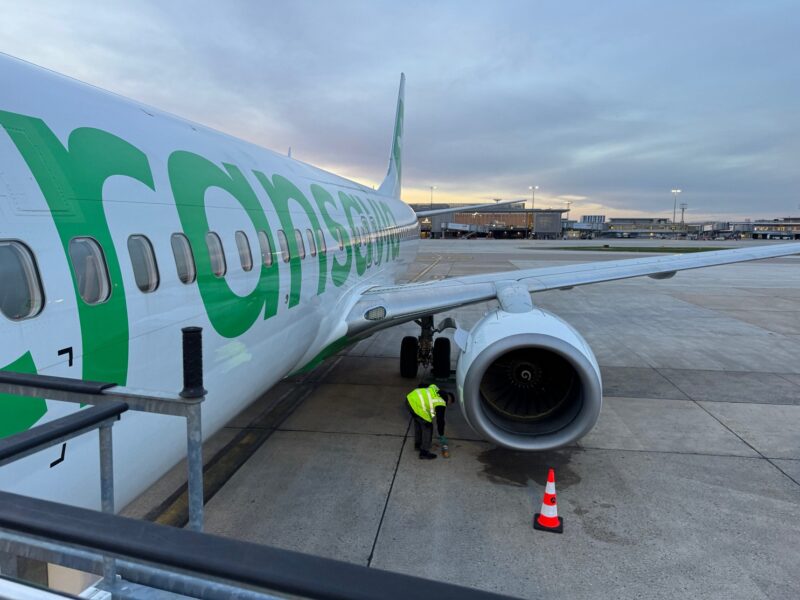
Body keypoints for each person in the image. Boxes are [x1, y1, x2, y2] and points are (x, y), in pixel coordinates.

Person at [406, 384, 455, 459]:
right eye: (449, 404)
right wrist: (441, 434)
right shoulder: (440, 402)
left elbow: (423, 385)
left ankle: (418, 445)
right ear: (449, 400)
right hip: (416, 405)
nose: (447, 405)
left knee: (418, 422)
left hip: (410, 399)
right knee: (428, 427)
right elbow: (440, 420)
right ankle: (424, 452)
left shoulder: (435, 388)